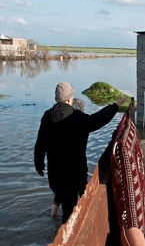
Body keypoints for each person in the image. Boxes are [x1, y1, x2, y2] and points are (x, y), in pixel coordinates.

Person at [34, 81, 128, 223]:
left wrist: (39, 165)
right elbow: (98, 119)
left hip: (56, 175)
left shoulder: (47, 117)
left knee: (66, 204)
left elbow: (40, 144)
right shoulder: (77, 118)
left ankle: (65, 231)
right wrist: (115, 106)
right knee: (72, 211)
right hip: (75, 173)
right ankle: (70, 239)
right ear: (70, 98)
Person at [50, 97, 86, 218]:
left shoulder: (59, 124)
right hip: (75, 170)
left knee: (60, 194)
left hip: (60, 169)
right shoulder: (79, 124)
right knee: (81, 193)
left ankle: (52, 216)